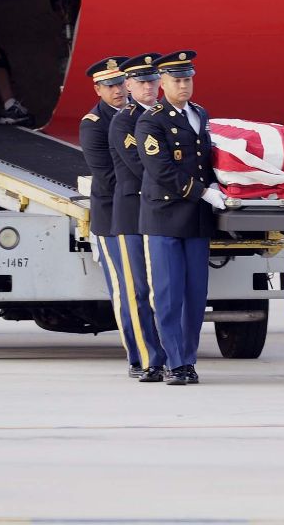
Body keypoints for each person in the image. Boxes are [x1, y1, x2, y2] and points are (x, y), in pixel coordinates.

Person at [136, 51, 223, 385]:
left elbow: (206, 159)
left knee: (195, 295)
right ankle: (174, 361)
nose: (183, 85)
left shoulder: (200, 113)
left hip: (197, 219)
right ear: (163, 83)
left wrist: (220, 184)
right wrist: (203, 192)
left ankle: (187, 359)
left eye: (187, 79)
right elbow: (160, 169)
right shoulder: (151, 120)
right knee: (169, 293)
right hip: (166, 216)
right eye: (176, 80)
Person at [79, 56, 143, 377]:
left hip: (146, 215)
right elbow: (107, 177)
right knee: (125, 289)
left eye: (121, 83)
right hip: (113, 219)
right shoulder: (94, 124)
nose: (118, 90)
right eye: (110, 86)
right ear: (97, 89)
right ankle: (136, 354)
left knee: (149, 288)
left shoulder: (141, 116)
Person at [107, 54, 168, 382]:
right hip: (132, 215)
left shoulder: (168, 116)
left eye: (152, 80)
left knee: (162, 290)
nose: (148, 87)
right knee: (137, 291)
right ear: (128, 86)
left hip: (160, 214)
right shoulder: (124, 121)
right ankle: (146, 358)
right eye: (140, 82)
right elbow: (143, 166)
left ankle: (166, 354)